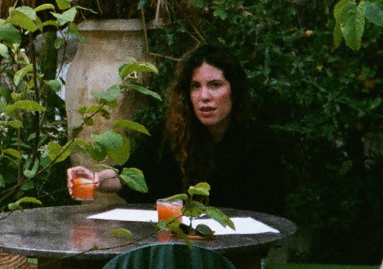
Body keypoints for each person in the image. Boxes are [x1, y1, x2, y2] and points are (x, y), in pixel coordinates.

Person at [92, 43, 286, 216]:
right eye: (195, 86)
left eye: (215, 85)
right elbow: (130, 176)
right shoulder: (172, 135)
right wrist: (95, 180)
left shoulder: (260, 143)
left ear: (234, 90)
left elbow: (269, 212)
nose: (204, 96)